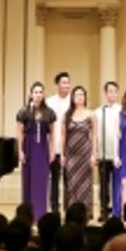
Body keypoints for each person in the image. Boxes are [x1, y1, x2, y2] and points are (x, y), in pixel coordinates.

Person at [16, 83, 56, 219]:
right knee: (28, 181)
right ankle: (27, 215)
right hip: (29, 148)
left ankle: (40, 214)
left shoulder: (49, 112)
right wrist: (20, 151)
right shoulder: (24, 112)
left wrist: (52, 151)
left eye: (40, 92)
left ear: (43, 95)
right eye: (36, 92)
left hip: (42, 149)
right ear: (31, 94)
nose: (38, 95)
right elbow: (20, 133)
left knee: (41, 182)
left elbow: (52, 134)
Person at [59, 85, 98, 214]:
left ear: (85, 97)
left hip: (85, 153)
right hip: (71, 154)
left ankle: (84, 213)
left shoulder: (91, 114)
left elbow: (94, 136)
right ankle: (71, 212)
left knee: (85, 185)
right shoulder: (67, 115)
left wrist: (93, 154)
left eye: (82, 95)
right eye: (77, 95)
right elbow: (63, 135)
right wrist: (62, 155)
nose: (79, 97)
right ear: (73, 98)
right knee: (71, 183)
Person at [48, 71, 74, 213]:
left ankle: (68, 208)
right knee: (54, 180)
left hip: (71, 148)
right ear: (57, 85)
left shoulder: (74, 102)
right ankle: (55, 208)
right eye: (63, 82)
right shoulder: (49, 102)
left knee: (69, 181)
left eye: (68, 82)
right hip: (55, 147)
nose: (67, 85)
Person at [97, 81, 122, 221]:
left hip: (118, 154)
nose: (112, 94)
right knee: (103, 184)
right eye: (109, 91)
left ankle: (117, 210)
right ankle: (104, 210)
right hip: (103, 154)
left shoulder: (122, 110)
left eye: (114, 91)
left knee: (117, 183)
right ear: (105, 93)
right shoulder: (100, 111)